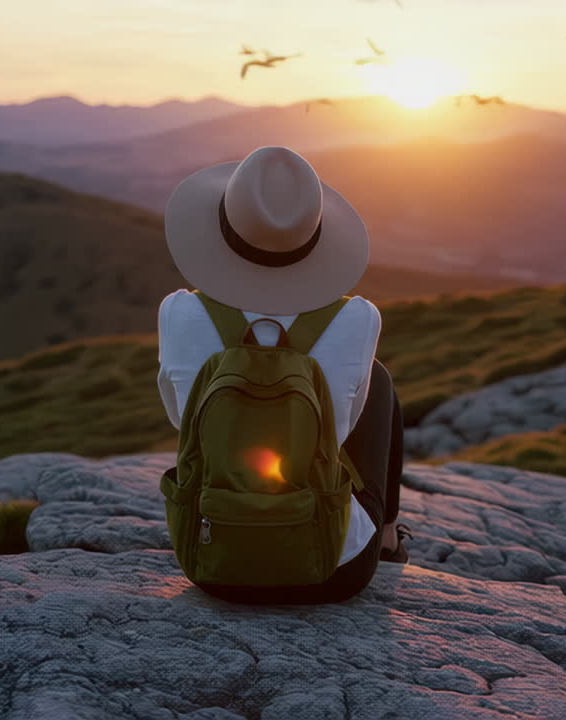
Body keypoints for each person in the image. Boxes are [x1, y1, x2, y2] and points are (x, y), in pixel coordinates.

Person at [155, 145, 410, 604]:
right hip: (335, 566)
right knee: (377, 380)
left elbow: (182, 421)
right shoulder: (360, 319)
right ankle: (387, 534)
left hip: (213, 559)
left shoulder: (179, 312)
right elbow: (343, 427)